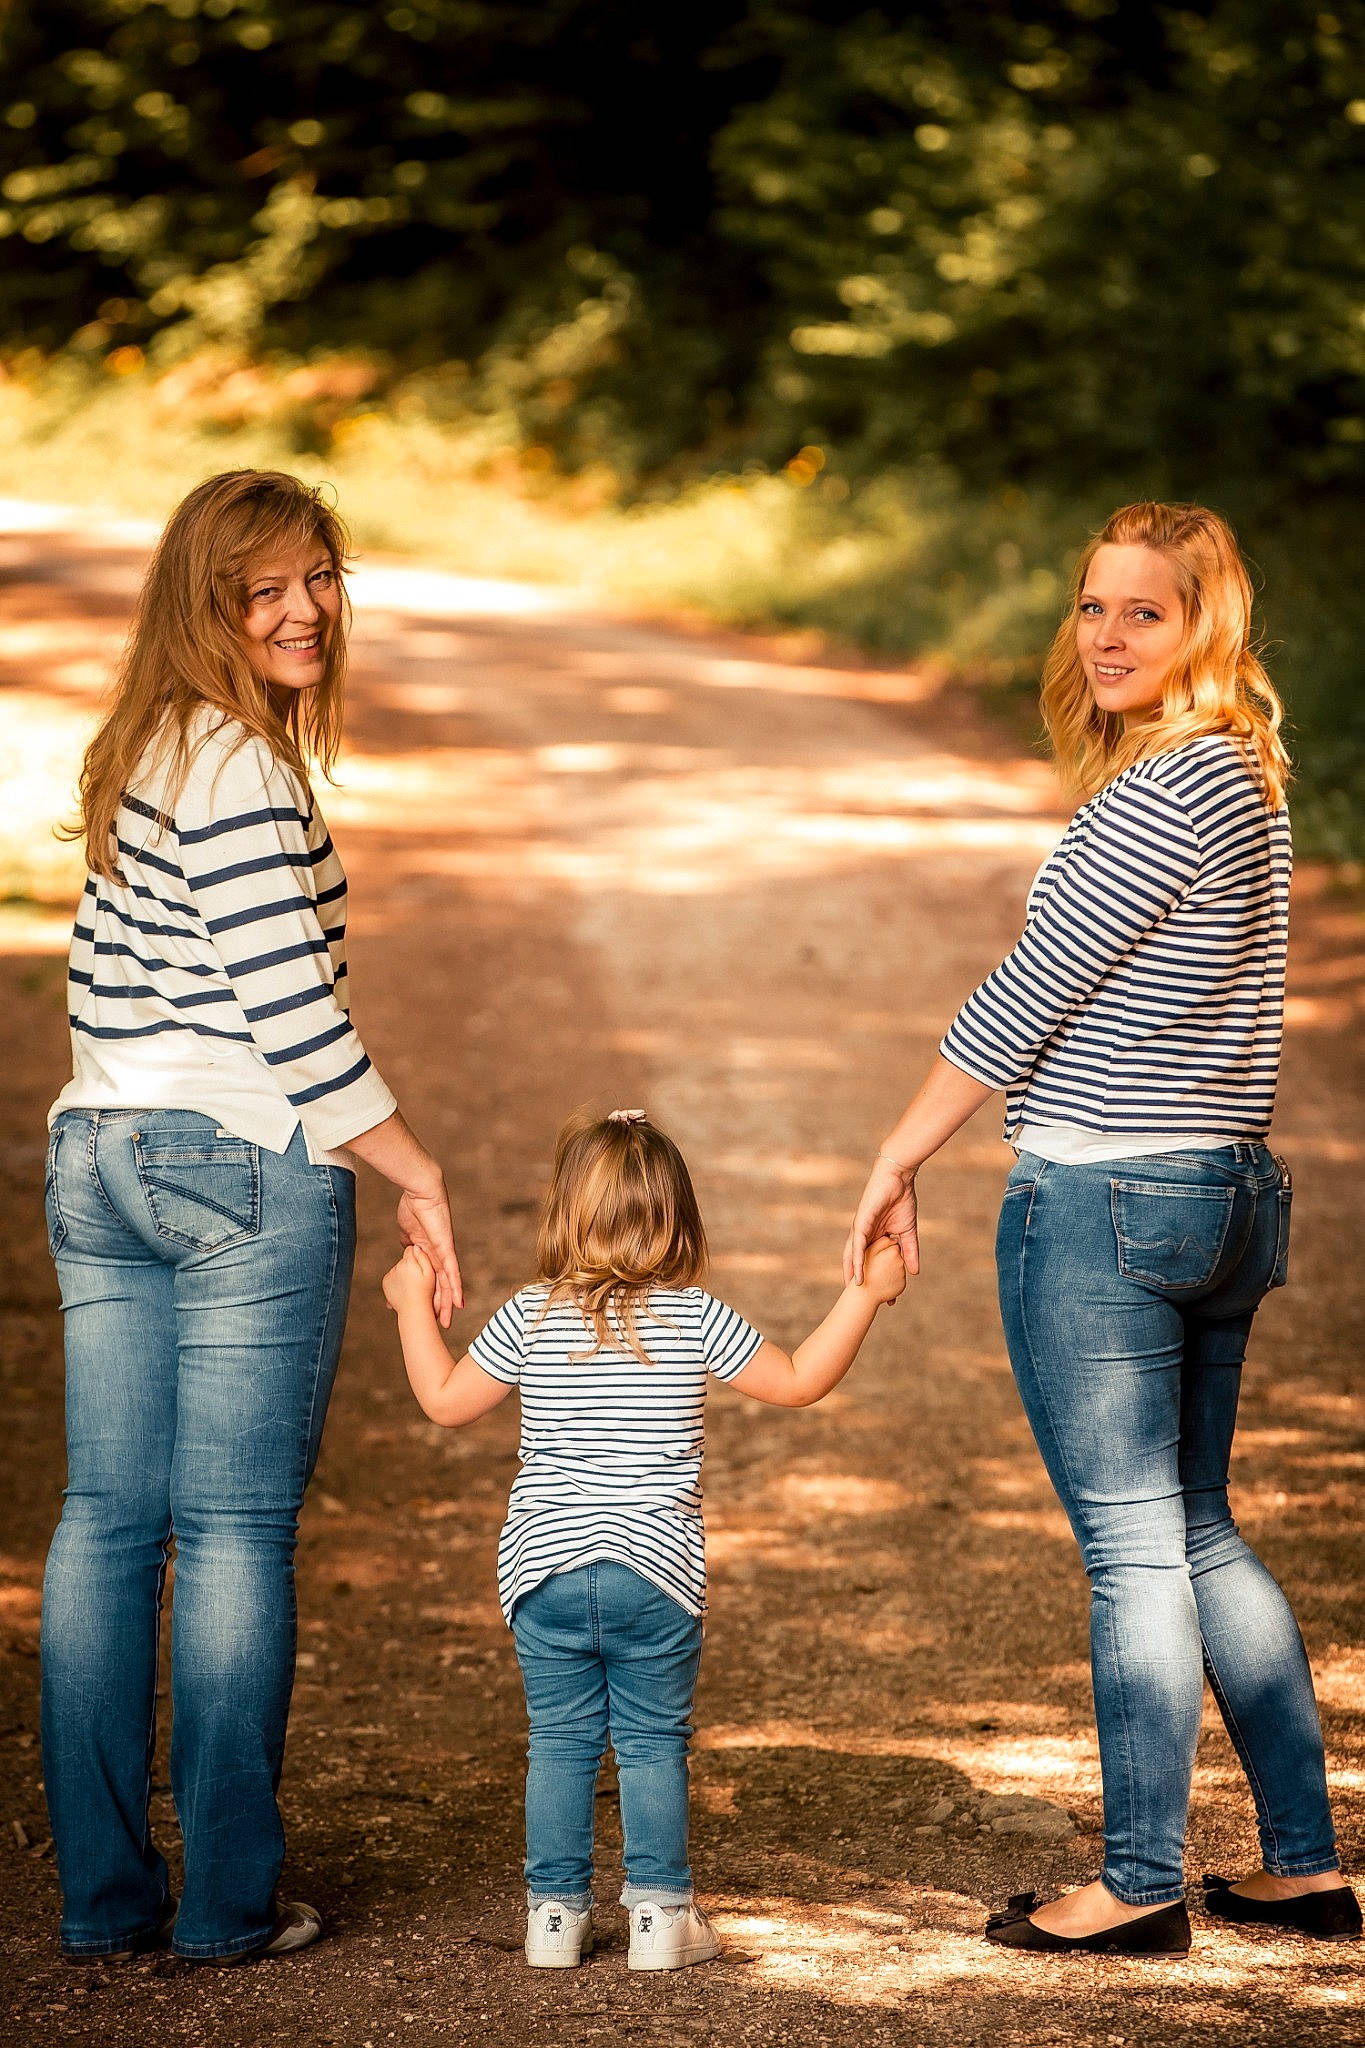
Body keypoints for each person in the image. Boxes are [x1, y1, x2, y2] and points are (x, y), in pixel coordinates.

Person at [845, 501, 1361, 1956]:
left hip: (1108, 1199)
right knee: (1194, 1530)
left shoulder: (1159, 792)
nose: (1111, 635)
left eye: (1147, 610)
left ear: (1209, 625)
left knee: (1135, 1548)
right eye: (1092, 607)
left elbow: (1026, 996)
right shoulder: (1245, 778)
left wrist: (897, 1154)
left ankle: (1136, 1883)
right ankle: (1303, 1866)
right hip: (1224, 1191)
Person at [42, 470, 463, 1964]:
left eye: (319, 578)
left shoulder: (147, 745)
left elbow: (107, 989)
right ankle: (223, 1905)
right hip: (235, 1167)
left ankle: (105, 1901)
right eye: (258, 589)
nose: (299, 611)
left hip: (98, 1152)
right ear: (202, 605)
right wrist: (413, 1171)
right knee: (224, 1536)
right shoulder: (238, 767)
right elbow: (295, 1019)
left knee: (106, 1525)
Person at [383, 1106, 905, 1970]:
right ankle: (660, 1918)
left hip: (542, 1570)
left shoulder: (530, 1315)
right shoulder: (694, 1317)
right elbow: (802, 1379)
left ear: (564, 1214)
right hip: (654, 1574)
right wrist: (866, 1292)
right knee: (652, 1741)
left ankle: (553, 1919)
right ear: (678, 1219)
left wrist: (410, 1305)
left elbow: (442, 1401)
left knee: (558, 1740)